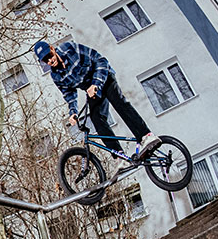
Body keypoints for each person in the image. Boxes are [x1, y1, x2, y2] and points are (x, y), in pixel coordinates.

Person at [33, 41, 161, 159]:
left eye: (50, 55)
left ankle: (146, 135)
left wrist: (95, 84)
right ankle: (119, 156)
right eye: (46, 60)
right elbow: (69, 93)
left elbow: (100, 60)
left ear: (52, 48)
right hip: (91, 90)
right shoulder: (56, 76)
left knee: (119, 103)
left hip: (104, 77)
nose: (50, 60)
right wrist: (73, 112)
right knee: (96, 118)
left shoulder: (70, 48)